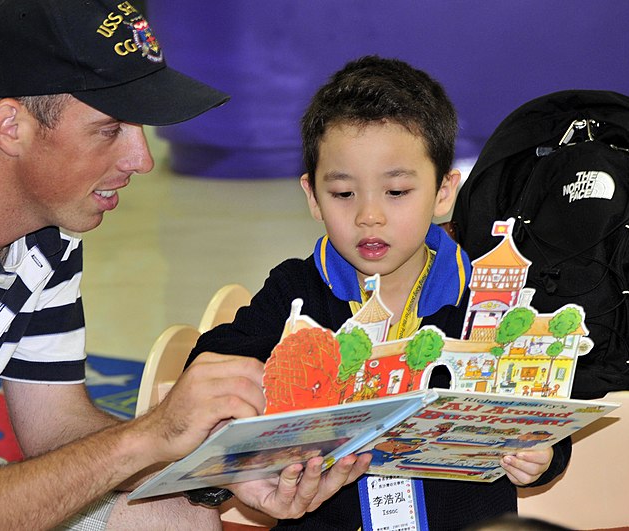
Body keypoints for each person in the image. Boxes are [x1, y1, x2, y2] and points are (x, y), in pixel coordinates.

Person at [0, 1, 370, 529]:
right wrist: (149, 434)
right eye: (111, 129)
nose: (142, 159)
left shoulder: (47, 223)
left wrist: (220, 473)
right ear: (11, 126)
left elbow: (54, 429)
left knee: (176, 516)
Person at [188, 56, 572, 529]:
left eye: (397, 192)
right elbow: (212, 365)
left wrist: (544, 456)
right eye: (344, 194)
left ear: (444, 192)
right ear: (312, 196)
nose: (370, 216)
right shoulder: (296, 289)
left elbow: (544, 412)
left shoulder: (488, 295)